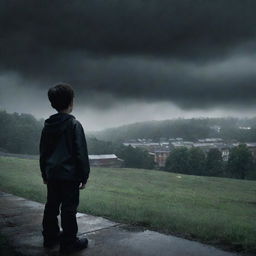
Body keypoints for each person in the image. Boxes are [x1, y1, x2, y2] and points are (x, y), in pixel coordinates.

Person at [39, 83, 90, 254]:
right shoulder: (74, 124)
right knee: (69, 208)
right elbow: (80, 152)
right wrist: (84, 176)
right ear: (71, 103)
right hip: (70, 176)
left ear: (53, 103)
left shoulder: (48, 125)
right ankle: (68, 242)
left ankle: (50, 237)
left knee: (51, 206)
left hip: (52, 174)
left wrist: (44, 173)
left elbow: (43, 152)